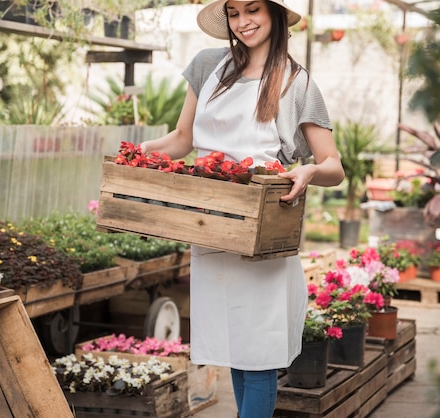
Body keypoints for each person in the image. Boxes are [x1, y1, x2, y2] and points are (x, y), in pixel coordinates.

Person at [139, 1, 344, 416]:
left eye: (253, 10)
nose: (243, 22)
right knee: (235, 348)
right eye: (233, 13)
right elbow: (182, 139)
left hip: (264, 223)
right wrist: (141, 152)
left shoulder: (296, 83)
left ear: (274, 14)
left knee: (260, 355)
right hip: (212, 220)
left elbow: (334, 166)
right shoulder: (208, 65)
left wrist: (306, 172)